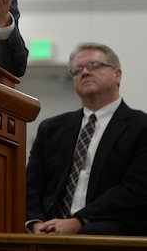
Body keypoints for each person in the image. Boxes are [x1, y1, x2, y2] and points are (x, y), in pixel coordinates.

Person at [25, 42, 147, 235]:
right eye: (77, 69)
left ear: (118, 75)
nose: (85, 72)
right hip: (48, 226)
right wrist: (35, 223)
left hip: (111, 227)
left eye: (95, 66)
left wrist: (80, 221)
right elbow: (31, 186)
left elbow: (136, 190)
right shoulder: (51, 128)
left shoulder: (140, 126)